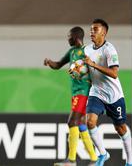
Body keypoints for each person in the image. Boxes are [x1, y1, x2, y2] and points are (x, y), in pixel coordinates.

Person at [44, 26, 97, 166]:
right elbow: (58, 65)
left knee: (71, 122)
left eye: (69, 36)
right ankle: (94, 159)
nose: (67, 38)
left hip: (84, 92)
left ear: (76, 37)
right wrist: (50, 62)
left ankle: (71, 160)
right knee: (80, 125)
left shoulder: (88, 51)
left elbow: (95, 68)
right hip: (76, 93)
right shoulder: (72, 52)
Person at [84, 19, 132, 166]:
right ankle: (103, 154)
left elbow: (114, 73)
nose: (92, 32)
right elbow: (88, 72)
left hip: (114, 96)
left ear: (104, 33)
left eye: (95, 30)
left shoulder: (109, 49)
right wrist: (79, 74)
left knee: (121, 128)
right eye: (91, 29)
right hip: (97, 93)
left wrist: (93, 64)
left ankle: (130, 161)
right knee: (90, 122)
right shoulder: (87, 50)